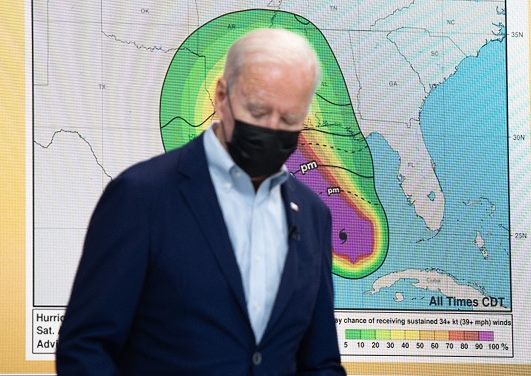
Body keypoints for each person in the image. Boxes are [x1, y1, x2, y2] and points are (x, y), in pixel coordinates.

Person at [56, 28, 346, 375]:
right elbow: (86, 350)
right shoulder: (141, 196)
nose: (271, 129)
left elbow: (320, 362)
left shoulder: (314, 215)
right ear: (222, 96)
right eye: (257, 112)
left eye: (289, 120)